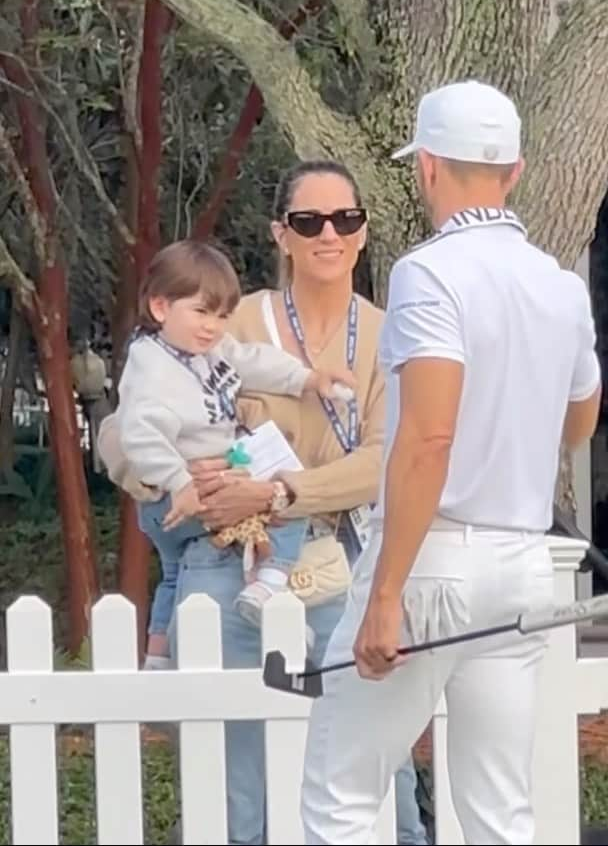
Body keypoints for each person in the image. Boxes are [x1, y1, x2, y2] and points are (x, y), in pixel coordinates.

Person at [299, 81, 603, 846]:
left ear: (428, 166)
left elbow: (427, 441)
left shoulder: (428, 274)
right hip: (522, 560)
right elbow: (578, 421)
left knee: (341, 795)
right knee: (500, 811)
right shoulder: (562, 287)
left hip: (432, 556)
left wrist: (384, 594)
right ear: (516, 171)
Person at [99, 159, 428, 846]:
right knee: (234, 772)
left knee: (373, 770)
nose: (329, 235)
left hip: (337, 555)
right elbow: (119, 437)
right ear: (281, 234)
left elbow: (386, 458)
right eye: (309, 221)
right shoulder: (230, 316)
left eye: (347, 219)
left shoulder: (388, 332)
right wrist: (182, 476)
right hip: (225, 557)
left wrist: (282, 489)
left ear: (364, 232)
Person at [113, 238, 354, 660]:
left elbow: (252, 360)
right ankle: (270, 585)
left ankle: (157, 655)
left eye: (222, 316)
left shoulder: (202, 351)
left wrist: (307, 379)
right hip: (179, 494)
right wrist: (179, 481)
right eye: (201, 312)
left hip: (174, 496)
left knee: (173, 572)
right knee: (284, 501)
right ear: (160, 307)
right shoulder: (154, 366)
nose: (213, 327)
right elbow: (139, 433)